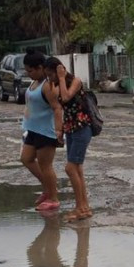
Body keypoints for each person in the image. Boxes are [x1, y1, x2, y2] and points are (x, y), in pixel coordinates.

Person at [44, 56, 93, 221]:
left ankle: (80, 208)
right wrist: (61, 131)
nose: (49, 78)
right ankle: (84, 207)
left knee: (70, 168)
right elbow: (60, 107)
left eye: (50, 74)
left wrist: (62, 77)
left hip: (81, 129)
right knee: (77, 169)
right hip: (71, 130)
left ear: (59, 70)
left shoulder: (76, 81)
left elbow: (66, 97)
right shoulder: (57, 84)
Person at [19, 51, 63, 212]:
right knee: (26, 159)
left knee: (46, 165)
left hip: (46, 131)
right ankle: (48, 189)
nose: (28, 74)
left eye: (30, 71)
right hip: (32, 129)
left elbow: (57, 108)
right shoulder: (35, 83)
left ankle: (53, 198)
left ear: (40, 68)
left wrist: (59, 130)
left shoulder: (48, 85)